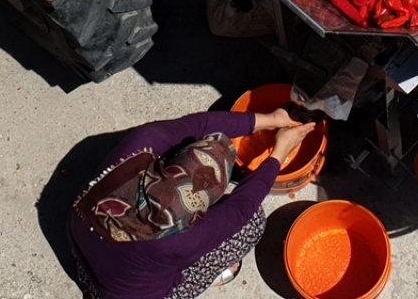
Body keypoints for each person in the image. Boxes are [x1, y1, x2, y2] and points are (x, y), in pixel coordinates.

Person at [69, 109, 316, 299]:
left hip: (85, 253)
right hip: (126, 294)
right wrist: (279, 153)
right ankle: (210, 273)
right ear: (185, 222)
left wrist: (270, 119)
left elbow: (199, 124)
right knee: (253, 223)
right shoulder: (174, 242)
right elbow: (241, 209)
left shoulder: (141, 146)